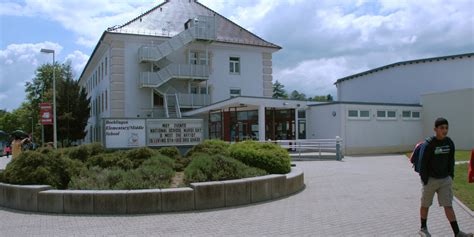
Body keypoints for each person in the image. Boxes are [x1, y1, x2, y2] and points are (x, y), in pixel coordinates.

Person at [418, 118, 473, 237]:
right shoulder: (429, 144)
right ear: (435, 129)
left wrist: (450, 176)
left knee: (448, 205)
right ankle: (423, 228)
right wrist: (425, 180)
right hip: (430, 180)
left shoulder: (449, 142)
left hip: (445, 180)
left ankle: (457, 233)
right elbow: (422, 163)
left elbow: (451, 161)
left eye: (446, 128)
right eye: (442, 128)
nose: (445, 130)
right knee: (425, 204)